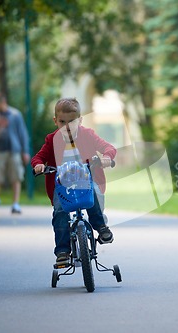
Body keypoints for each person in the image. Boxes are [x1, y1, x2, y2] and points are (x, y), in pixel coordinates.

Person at [31, 97, 116, 266]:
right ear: (55, 121)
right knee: (60, 211)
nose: (67, 126)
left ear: (80, 120)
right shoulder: (52, 139)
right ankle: (62, 250)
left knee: (92, 197)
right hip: (62, 184)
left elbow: (108, 148)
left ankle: (101, 227)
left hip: (85, 179)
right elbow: (39, 157)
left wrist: (106, 156)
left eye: (72, 122)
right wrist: (39, 165)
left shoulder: (88, 135)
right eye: (62, 122)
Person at [0, 93, 30, 214]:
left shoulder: (15, 115)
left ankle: (15, 204)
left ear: (3, 102)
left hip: (14, 150)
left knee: (16, 176)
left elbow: (22, 133)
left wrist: (25, 151)